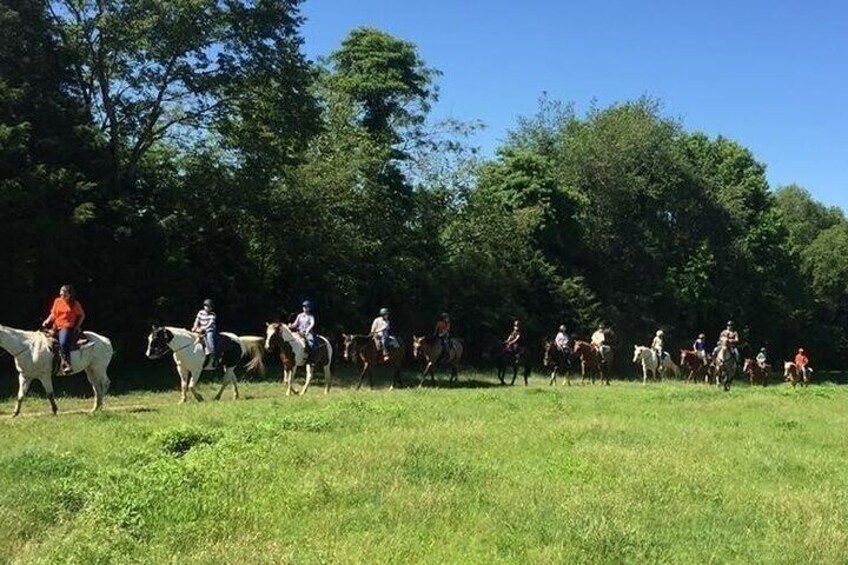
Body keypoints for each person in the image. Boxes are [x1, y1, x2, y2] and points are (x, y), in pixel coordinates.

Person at [41, 284, 85, 374]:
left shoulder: (75, 304)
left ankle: (67, 363)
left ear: (70, 294)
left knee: (63, 342)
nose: (62, 295)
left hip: (66, 327)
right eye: (61, 293)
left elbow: (82, 315)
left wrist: (77, 327)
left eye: (64, 294)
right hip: (56, 326)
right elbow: (53, 314)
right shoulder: (57, 301)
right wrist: (47, 320)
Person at [192, 299, 219, 367]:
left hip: (209, 330)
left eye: (209, 306)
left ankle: (212, 354)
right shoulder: (200, 312)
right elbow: (197, 320)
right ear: (204, 306)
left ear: (211, 308)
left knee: (210, 339)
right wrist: (194, 327)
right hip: (200, 329)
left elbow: (210, 324)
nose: (207, 308)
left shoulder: (213, 314)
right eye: (206, 306)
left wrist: (203, 328)